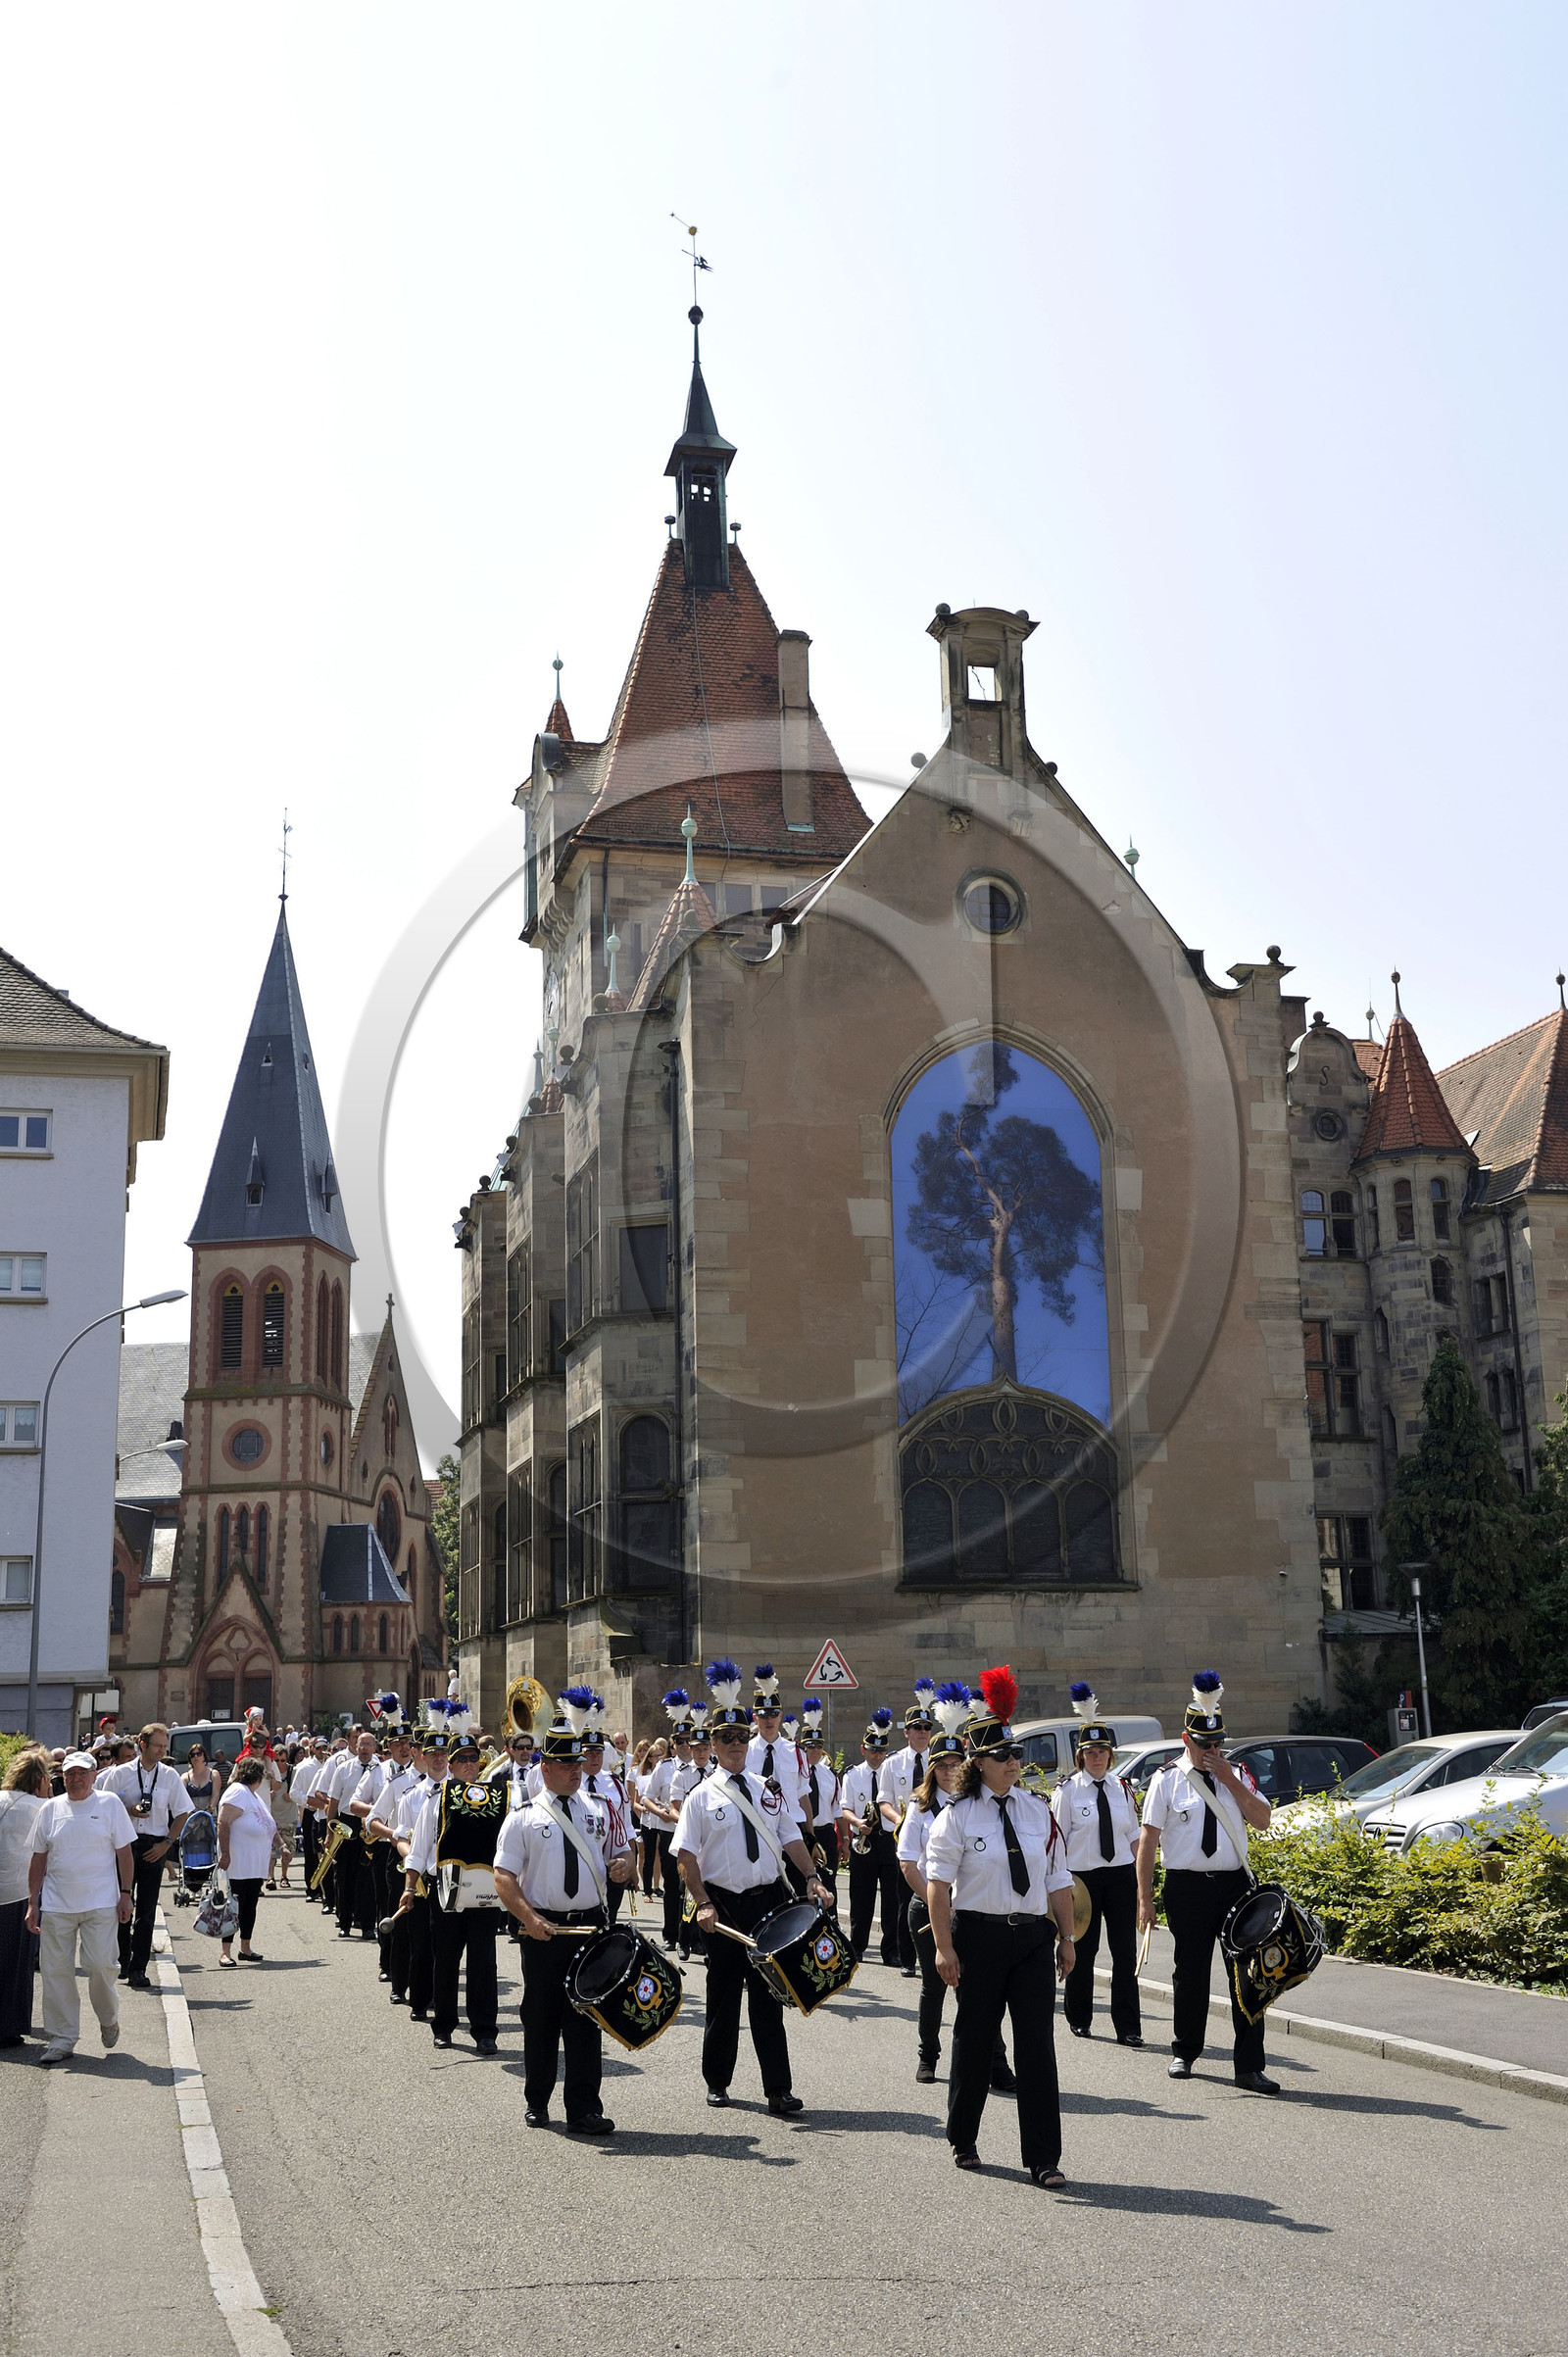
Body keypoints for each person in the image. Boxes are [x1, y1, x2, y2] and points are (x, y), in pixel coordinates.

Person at [926, 1666, 1077, 2187]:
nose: (1015, 1762)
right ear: (979, 1763)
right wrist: (945, 1949)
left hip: (1032, 1939)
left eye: (1017, 1755)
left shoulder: (1038, 1811)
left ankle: (1043, 2157)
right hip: (980, 1936)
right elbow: (938, 1887)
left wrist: (1068, 1935)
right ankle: (963, 2138)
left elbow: (1058, 1876)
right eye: (1003, 1756)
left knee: (1037, 2045)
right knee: (974, 2037)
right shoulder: (957, 1816)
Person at [675, 1660, 833, 2115]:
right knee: (723, 2001)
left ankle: (778, 2090)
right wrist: (702, 1902)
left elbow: (790, 1837)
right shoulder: (700, 1796)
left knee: (769, 2000)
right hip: (722, 1907)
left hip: (767, 1903)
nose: (736, 1745)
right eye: (726, 1738)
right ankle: (718, 2081)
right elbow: (686, 1857)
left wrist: (811, 1878)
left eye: (741, 1737)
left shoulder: (768, 1788)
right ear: (714, 1744)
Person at [493, 1694, 635, 2133]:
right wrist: (529, 1920)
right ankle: (538, 2099)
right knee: (540, 2019)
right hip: (544, 1930)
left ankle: (585, 2107)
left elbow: (624, 1851)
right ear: (545, 1769)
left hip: (590, 1926)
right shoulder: (523, 1817)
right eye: (566, 1764)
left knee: (585, 2020)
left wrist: (625, 1865)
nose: (576, 1770)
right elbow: (503, 1876)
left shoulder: (599, 1809)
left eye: (579, 1763)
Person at [1137, 1670, 1275, 2093]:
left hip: (1234, 1885)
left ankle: (1249, 2066)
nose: (1212, 1751)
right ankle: (1185, 2050)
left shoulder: (1239, 1776)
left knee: (1248, 1976)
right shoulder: (1166, 1780)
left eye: (1218, 1744)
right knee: (1190, 1973)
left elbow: (1264, 1819)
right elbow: (1147, 1844)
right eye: (1204, 1744)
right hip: (1188, 1887)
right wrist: (1145, 1900)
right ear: (1186, 1739)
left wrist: (1229, 1778)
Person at [402, 1720, 508, 2052]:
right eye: (460, 1759)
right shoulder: (436, 1800)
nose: (467, 1765)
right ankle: (444, 2025)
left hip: (484, 1893)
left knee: (483, 1961)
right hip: (444, 1891)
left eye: (472, 1759)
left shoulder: (495, 1798)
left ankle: (485, 2031)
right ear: (450, 1764)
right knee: (445, 1959)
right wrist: (409, 1887)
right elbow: (419, 1849)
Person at [25, 1752, 136, 2065]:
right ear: (62, 1777)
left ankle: (108, 2017)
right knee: (55, 1971)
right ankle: (62, 2038)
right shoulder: (50, 1809)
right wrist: (33, 1901)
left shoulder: (110, 1804)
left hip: (101, 1902)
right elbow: (38, 1859)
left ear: (94, 1775)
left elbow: (124, 1853)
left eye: (82, 1773)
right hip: (58, 1904)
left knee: (101, 1965)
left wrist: (125, 1894)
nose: (76, 1779)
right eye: (70, 1774)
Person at [1053, 1682, 1143, 2046]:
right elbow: (1056, 1841)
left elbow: (1134, 1836)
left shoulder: (1122, 1788)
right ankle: (1079, 2016)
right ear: (1081, 1756)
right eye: (1090, 1752)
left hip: (1121, 1876)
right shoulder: (1068, 1791)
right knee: (1084, 1951)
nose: (1097, 1758)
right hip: (1083, 1879)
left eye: (1103, 1751)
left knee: (1124, 1952)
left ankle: (1129, 2027)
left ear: (1110, 1755)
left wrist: (1144, 1880)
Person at [101, 1721, 189, 1989]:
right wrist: (129, 1810)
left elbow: (183, 1812)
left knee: (147, 1909)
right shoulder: (120, 1773)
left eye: (165, 1746)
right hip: (124, 1844)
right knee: (120, 1905)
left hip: (154, 1845)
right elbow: (106, 1807)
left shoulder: (170, 1776)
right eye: (158, 1745)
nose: (162, 1750)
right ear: (143, 1745)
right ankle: (121, 1962)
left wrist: (167, 1844)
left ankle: (139, 1968)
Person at [879, 1681, 935, 1972]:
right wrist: (901, 1821)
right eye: (917, 1727)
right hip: (903, 1837)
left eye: (927, 1727)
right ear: (907, 1732)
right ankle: (907, 1957)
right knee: (906, 1898)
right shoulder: (893, 1762)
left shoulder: (939, 1761)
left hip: (937, 1835)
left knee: (939, 1891)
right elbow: (884, 1801)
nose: (923, 1732)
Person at [841, 1709, 902, 1963]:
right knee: (861, 1898)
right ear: (863, 1749)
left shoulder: (892, 1771)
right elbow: (845, 1807)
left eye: (881, 1751)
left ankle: (891, 1951)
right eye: (872, 1750)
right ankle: (857, 1947)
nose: (877, 1756)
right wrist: (856, 1822)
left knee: (892, 1899)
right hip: (863, 1841)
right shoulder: (852, 1775)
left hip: (889, 1840)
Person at [0, 1747, 52, 2045]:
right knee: (16, 1963)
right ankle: (9, 2027)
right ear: (41, 1779)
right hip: (19, 1892)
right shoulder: (40, 1806)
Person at [748, 1667, 811, 1894]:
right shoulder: (745, 1750)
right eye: (763, 1715)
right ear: (755, 1717)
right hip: (759, 1832)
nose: (768, 1719)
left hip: (793, 1832)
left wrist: (811, 1836)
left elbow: (803, 1795)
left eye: (773, 1714)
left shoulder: (796, 1751)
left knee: (801, 1897)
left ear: (781, 1716)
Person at [217, 1759, 276, 1965]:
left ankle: (245, 1947)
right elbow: (223, 1821)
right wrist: (225, 1853)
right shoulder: (238, 1792)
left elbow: (269, 1825)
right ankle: (226, 1951)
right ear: (257, 1777)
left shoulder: (253, 1795)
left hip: (254, 1864)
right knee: (234, 1907)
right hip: (239, 1863)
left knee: (250, 1906)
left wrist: (282, 1846)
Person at [799, 1701, 841, 1885]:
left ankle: (829, 1914)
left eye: (818, 1745)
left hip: (825, 1834)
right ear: (802, 1747)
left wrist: (845, 1839)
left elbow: (837, 1808)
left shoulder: (830, 1775)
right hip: (802, 1834)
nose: (815, 1750)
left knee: (828, 1882)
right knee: (803, 1882)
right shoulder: (795, 1772)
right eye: (810, 1745)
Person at [291, 1742, 328, 1901]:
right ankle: (312, 1889)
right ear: (312, 1749)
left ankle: (326, 1888)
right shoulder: (304, 1768)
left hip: (326, 1813)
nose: (322, 1751)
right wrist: (308, 1803)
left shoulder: (331, 1765)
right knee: (311, 1852)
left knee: (325, 1851)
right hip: (310, 1812)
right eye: (318, 1748)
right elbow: (293, 1793)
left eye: (324, 1748)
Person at [269, 1744, 302, 1888]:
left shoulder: (293, 1771)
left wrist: (293, 1797)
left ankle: (284, 1876)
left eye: (282, 1760)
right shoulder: (269, 1772)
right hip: (271, 1816)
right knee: (270, 1851)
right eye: (277, 1760)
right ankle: (270, 1877)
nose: (280, 1764)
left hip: (288, 1816)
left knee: (288, 1848)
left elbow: (300, 1791)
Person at [182, 1742, 223, 1816]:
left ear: (204, 1756)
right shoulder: (185, 1777)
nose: (195, 1757)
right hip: (191, 1817)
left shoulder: (213, 1774)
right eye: (192, 1755)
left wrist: (210, 1809)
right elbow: (182, 1798)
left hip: (209, 1815)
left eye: (199, 1754)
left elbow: (216, 1795)